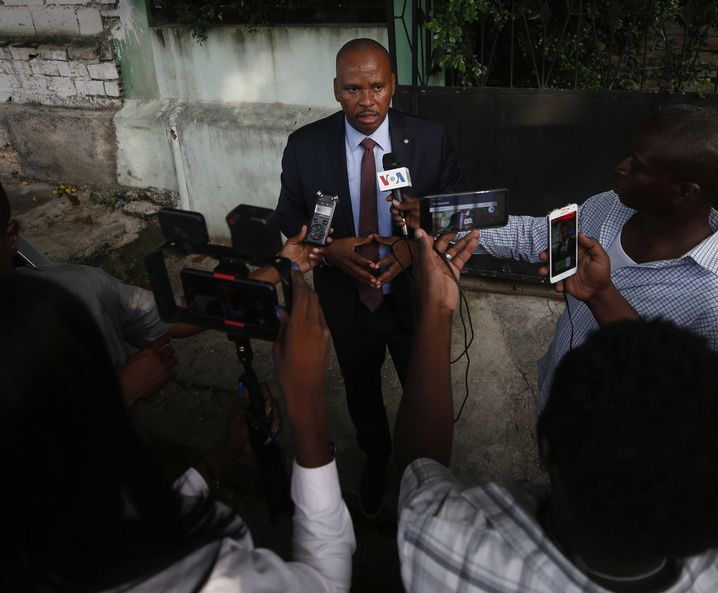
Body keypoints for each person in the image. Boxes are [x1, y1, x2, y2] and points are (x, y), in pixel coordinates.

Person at [393, 228, 718, 592]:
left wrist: (437, 306)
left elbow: (418, 470)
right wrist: (600, 294)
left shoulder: (442, 541)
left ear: (545, 448)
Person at [1, 265, 355, 592]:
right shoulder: (208, 577)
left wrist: (217, 458)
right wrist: (307, 410)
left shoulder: (52, 535)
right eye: (100, 375)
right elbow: (326, 583)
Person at [392, 103, 718, 411]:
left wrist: (602, 295)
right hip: (557, 393)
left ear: (685, 192)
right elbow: (534, 236)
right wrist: (442, 218)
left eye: (639, 165)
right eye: (630, 153)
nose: (621, 166)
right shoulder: (608, 207)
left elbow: (701, 411)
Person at [275, 37, 463, 517]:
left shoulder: (430, 139)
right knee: (361, 389)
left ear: (392, 86)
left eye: (377, 87)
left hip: (411, 295)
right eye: (354, 89)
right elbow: (291, 211)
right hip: (346, 296)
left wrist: (409, 245)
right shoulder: (305, 146)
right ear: (336, 90)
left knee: (422, 383)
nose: (367, 101)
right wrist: (329, 249)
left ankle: (424, 476)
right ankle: (376, 459)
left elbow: (449, 209)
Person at [1, 183, 328, 407]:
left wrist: (280, 267)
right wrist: (121, 393)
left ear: (12, 238)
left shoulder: (81, 288)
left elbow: (178, 317)